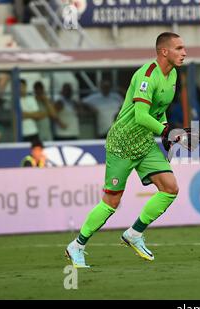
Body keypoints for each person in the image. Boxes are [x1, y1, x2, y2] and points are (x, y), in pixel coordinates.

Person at [65, 32, 189, 268]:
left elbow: (158, 110)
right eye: (179, 48)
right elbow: (142, 116)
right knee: (111, 202)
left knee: (170, 188)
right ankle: (77, 246)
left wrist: (164, 127)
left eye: (184, 48)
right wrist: (166, 132)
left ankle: (134, 234)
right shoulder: (146, 75)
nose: (184, 53)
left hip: (143, 143)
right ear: (164, 51)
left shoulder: (172, 75)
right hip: (121, 143)